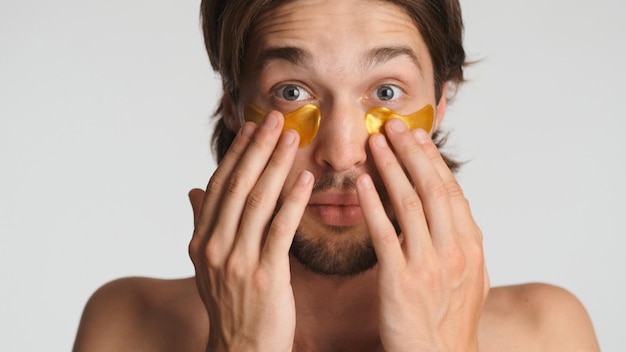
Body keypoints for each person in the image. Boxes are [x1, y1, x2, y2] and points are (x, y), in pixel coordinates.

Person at [73, 0, 601, 351]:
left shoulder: (545, 332)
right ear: (234, 105)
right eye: (293, 91)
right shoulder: (129, 326)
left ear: (439, 104)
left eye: (387, 93)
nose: (342, 153)